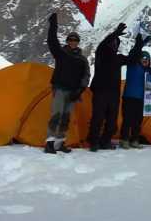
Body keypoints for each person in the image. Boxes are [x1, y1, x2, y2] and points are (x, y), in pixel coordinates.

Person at [44, 13, 90, 154]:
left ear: (78, 42)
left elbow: (86, 75)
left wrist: (80, 90)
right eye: (71, 40)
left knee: (65, 118)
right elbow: (52, 41)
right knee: (56, 115)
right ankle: (50, 143)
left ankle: (60, 143)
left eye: (75, 40)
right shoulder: (61, 53)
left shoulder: (82, 59)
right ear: (68, 41)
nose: (73, 42)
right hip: (60, 89)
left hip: (73, 93)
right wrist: (53, 25)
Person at [87, 23, 131, 152]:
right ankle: (94, 142)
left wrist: (140, 44)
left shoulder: (118, 58)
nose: (114, 45)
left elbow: (133, 59)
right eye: (112, 43)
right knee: (98, 118)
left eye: (116, 43)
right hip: (100, 91)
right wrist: (115, 33)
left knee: (112, 121)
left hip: (114, 93)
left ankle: (105, 141)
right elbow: (103, 43)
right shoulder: (101, 53)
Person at [119, 34, 151, 149]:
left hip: (142, 99)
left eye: (147, 59)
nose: (145, 60)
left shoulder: (149, 71)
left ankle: (134, 140)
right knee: (127, 119)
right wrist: (140, 44)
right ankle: (124, 140)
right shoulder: (132, 65)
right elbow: (133, 53)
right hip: (129, 97)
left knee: (137, 121)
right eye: (143, 58)